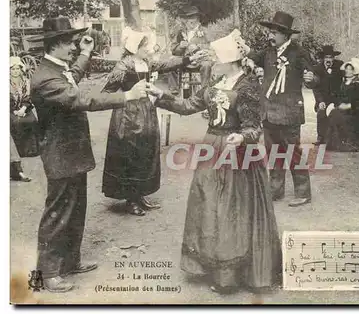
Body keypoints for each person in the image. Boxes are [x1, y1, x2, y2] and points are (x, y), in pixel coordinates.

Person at [147, 32, 282, 294]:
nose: (212, 62)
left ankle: (230, 275)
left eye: (216, 58)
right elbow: (188, 105)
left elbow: (254, 127)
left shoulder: (247, 86)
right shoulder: (216, 82)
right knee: (209, 203)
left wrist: (242, 137)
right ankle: (213, 266)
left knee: (231, 208)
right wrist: (159, 95)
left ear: (229, 60)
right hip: (212, 148)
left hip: (236, 154)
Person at [30, 17, 149, 292]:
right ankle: (48, 273)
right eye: (71, 43)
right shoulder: (45, 78)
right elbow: (80, 99)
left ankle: (70, 262)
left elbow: (74, 74)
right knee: (58, 212)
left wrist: (85, 52)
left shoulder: (56, 69)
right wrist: (127, 97)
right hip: (61, 156)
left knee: (76, 209)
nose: (74, 47)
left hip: (72, 154)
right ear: (56, 44)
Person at [101, 28, 207, 216]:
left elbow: (166, 64)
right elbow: (106, 91)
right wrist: (125, 97)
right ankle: (131, 199)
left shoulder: (146, 62)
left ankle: (139, 195)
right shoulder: (124, 65)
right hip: (128, 115)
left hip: (146, 111)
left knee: (145, 151)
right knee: (131, 153)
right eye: (144, 46)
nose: (148, 49)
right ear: (135, 47)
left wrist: (188, 60)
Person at [244, 11, 318, 207]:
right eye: (270, 32)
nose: (270, 36)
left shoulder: (299, 52)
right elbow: (252, 56)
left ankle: (303, 193)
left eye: (275, 32)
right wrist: (250, 61)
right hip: (268, 113)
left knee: (293, 153)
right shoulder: (267, 52)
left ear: (286, 35)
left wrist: (311, 80)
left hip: (289, 113)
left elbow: (314, 75)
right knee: (273, 153)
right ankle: (275, 191)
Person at [325, 58, 359, 151]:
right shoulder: (344, 82)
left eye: (350, 69)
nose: (348, 71)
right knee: (334, 113)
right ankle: (334, 143)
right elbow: (339, 96)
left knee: (338, 115)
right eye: (347, 69)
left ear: (354, 71)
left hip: (356, 111)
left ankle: (348, 143)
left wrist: (348, 106)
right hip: (345, 108)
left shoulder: (358, 84)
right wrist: (338, 104)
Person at [171, 6, 213, 95]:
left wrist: (198, 47)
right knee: (171, 61)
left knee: (207, 65)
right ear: (185, 20)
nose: (191, 21)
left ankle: (204, 91)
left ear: (198, 19)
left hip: (200, 61)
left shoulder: (205, 32)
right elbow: (173, 49)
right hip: (185, 60)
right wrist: (180, 46)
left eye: (193, 17)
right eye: (189, 18)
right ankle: (174, 89)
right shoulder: (180, 32)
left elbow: (211, 47)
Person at [312, 45, 344, 145]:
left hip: (336, 99)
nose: (328, 60)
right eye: (326, 57)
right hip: (323, 99)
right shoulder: (317, 68)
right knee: (321, 113)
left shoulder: (340, 66)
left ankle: (336, 139)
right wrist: (320, 101)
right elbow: (316, 88)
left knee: (336, 114)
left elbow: (345, 81)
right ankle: (320, 137)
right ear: (323, 58)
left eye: (330, 57)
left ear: (333, 58)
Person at [10, 56, 39, 158]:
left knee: (32, 120)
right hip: (11, 110)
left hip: (24, 108)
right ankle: (21, 151)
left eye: (17, 69)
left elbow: (28, 97)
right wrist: (15, 111)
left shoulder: (26, 81)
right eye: (13, 69)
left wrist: (23, 108)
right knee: (17, 122)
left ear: (21, 69)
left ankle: (33, 150)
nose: (15, 71)